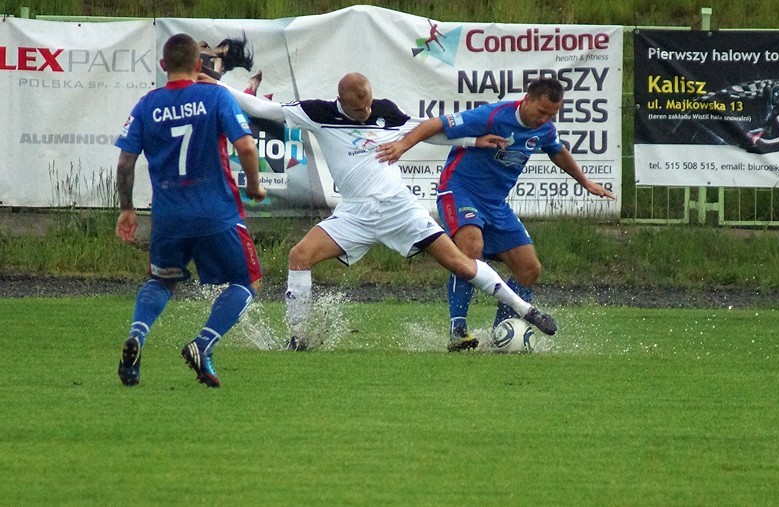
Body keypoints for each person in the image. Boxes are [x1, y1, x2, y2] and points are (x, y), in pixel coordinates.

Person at [201, 71, 557, 352]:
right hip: (355, 213)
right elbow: (261, 108)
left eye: (369, 104)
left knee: (461, 263)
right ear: (340, 101)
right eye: (359, 109)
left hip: (399, 208)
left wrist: (472, 140)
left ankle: (528, 312)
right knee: (299, 256)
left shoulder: (384, 111)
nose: (367, 112)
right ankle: (297, 337)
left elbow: (425, 130)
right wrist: (217, 85)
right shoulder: (317, 113)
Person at [377, 78, 616, 344]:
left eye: (551, 115)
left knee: (529, 268)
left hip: (495, 204)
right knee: (470, 248)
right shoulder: (492, 116)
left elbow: (556, 150)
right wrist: (401, 147)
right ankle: (458, 330)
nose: (544, 119)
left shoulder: (545, 130)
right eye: (541, 112)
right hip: (459, 191)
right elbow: (436, 124)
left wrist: (584, 182)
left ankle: (502, 331)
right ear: (527, 100)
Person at [114, 33, 267, 388]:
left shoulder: (146, 104)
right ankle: (203, 343)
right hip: (217, 213)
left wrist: (126, 209)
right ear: (199, 65)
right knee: (246, 281)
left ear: (163, 65)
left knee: (161, 280)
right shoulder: (215, 95)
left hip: (168, 217)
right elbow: (245, 145)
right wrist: (255, 185)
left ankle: (137, 335)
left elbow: (125, 162)